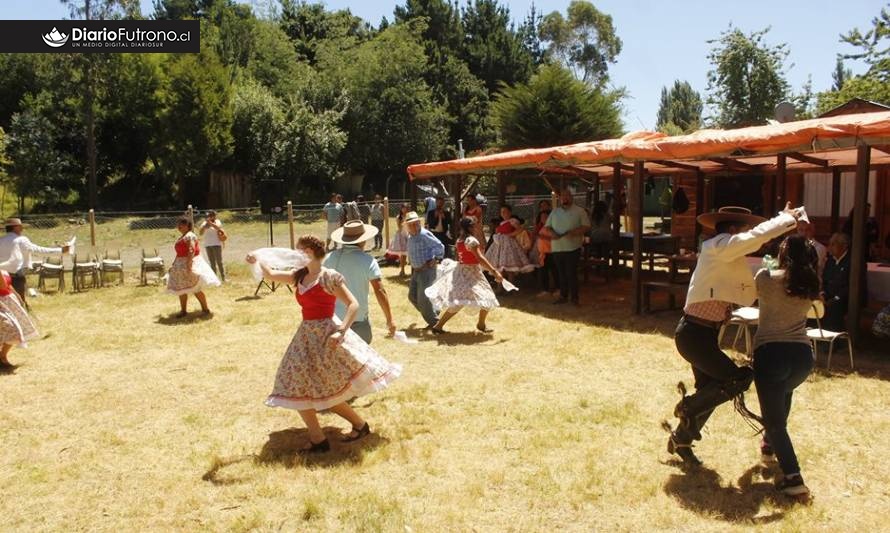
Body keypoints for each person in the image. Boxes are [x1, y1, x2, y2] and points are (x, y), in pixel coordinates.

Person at [666, 204, 800, 466]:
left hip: (702, 335)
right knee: (736, 379)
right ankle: (689, 409)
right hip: (694, 334)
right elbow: (753, 238)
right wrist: (783, 219)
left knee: (713, 388)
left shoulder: (725, 255)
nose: (748, 233)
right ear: (731, 230)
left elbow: (746, 285)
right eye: (744, 229)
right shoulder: (718, 246)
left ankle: (680, 438)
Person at [249, 235, 401, 453]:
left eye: (300, 250)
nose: (296, 253)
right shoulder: (298, 276)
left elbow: (353, 304)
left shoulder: (328, 276)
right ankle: (325, 435)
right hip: (306, 336)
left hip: (326, 334)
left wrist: (342, 331)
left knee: (322, 389)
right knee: (297, 383)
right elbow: (270, 274)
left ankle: (343, 431)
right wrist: (256, 258)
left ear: (311, 251)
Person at [752, 234, 819, 498]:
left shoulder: (767, 279)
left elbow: (764, 270)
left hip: (771, 352)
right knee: (783, 395)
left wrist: (768, 243)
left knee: (775, 419)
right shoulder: (809, 285)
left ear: (783, 254)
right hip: (802, 356)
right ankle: (769, 445)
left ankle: (794, 477)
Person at [325, 220, 397, 344]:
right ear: (362, 240)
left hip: (332, 320)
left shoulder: (328, 258)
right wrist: (390, 319)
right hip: (358, 321)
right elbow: (380, 291)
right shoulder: (368, 261)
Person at [428, 217, 504, 334]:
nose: (476, 227)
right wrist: (494, 271)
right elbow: (479, 258)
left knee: (461, 300)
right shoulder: (471, 240)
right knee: (486, 296)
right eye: (474, 225)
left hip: (463, 271)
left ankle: (440, 326)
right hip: (471, 272)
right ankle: (480, 324)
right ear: (470, 227)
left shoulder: (460, 239)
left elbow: (461, 257)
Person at [0, 218, 70, 304]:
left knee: (5, 301)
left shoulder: (1, 240)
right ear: (16, 227)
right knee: (19, 300)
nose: (22, 229)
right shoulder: (21, 240)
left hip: (2, 275)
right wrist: (60, 250)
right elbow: (37, 250)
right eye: (20, 227)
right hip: (16, 275)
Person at [541, 189, 591, 305]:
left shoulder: (579, 211)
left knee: (571, 273)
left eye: (567, 196)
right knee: (561, 273)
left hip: (573, 248)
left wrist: (575, 232)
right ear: (560, 199)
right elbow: (547, 227)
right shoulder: (555, 212)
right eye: (562, 196)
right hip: (557, 248)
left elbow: (586, 226)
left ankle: (574, 298)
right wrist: (552, 233)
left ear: (571, 197)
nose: (564, 198)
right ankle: (563, 296)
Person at [165, 217, 219, 317]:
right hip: (180, 266)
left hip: (188, 265)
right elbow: (179, 253)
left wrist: (189, 265)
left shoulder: (190, 235)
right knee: (181, 288)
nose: (179, 226)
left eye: (182, 224)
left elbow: (191, 250)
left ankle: (205, 309)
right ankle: (183, 311)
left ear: (188, 226)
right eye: (178, 224)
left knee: (195, 288)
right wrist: (173, 265)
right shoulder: (182, 237)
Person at [405, 211, 445, 329]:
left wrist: (436, 259)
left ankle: (435, 323)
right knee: (412, 296)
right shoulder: (410, 236)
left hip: (426, 270)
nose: (413, 225)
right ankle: (433, 313)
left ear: (419, 222)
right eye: (411, 224)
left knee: (423, 300)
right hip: (416, 270)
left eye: (415, 223)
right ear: (407, 225)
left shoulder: (424, 234)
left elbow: (440, 246)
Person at [0, 267, 38, 371]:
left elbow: (8, 285)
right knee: (13, 329)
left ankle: (2, 357)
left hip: (9, 301)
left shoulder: (3, 269)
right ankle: (2, 357)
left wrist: (18, 296)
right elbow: (2, 285)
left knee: (13, 329)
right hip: (2, 303)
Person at [486, 204, 535, 278]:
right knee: (500, 267)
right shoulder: (502, 223)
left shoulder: (513, 221)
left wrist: (510, 234)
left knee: (510, 267)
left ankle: (511, 287)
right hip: (499, 246)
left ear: (510, 212)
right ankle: (501, 286)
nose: (503, 213)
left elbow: (520, 229)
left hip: (509, 245)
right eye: (502, 212)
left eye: (505, 211)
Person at [821, 232, 851, 332]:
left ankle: (833, 341)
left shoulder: (852, 261)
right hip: (829, 296)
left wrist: (836, 298)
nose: (829, 247)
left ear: (844, 246)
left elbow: (850, 286)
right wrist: (823, 294)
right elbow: (825, 280)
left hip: (846, 299)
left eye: (833, 244)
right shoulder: (830, 260)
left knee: (833, 306)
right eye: (829, 244)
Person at [531, 208, 558, 296]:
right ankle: (545, 290)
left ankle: (559, 289)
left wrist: (540, 236)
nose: (543, 218)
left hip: (551, 252)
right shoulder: (541, 227)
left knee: (555, 271)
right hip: (543, 253)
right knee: (543, 272)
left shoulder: (553, 226)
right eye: (542, 217)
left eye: (546, 217)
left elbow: (555, 238)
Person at [198, 210, 226, 283]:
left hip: (216, 244)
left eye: (211, 215)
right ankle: (214, 279)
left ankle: (223, 278)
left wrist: (211, 224)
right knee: (212, 262)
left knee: (219, 262)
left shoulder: (217, 221)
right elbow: (200, 233)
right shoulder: (204, 223)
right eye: (209, 216)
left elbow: (219, 229)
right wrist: (204, 227)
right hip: (208, 245)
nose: (210, 217)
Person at [387, 203, 411, 276]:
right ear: (401, 209)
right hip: (402, 236)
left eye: (406, 208)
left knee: (408, 254)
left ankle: (408, 269)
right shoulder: (399, 217)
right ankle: (402, 270)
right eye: (403, 208)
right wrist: (404, 222)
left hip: (409, 235)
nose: (405, 209)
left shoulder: (410, 216)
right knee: (402, 254)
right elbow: (399, 227)